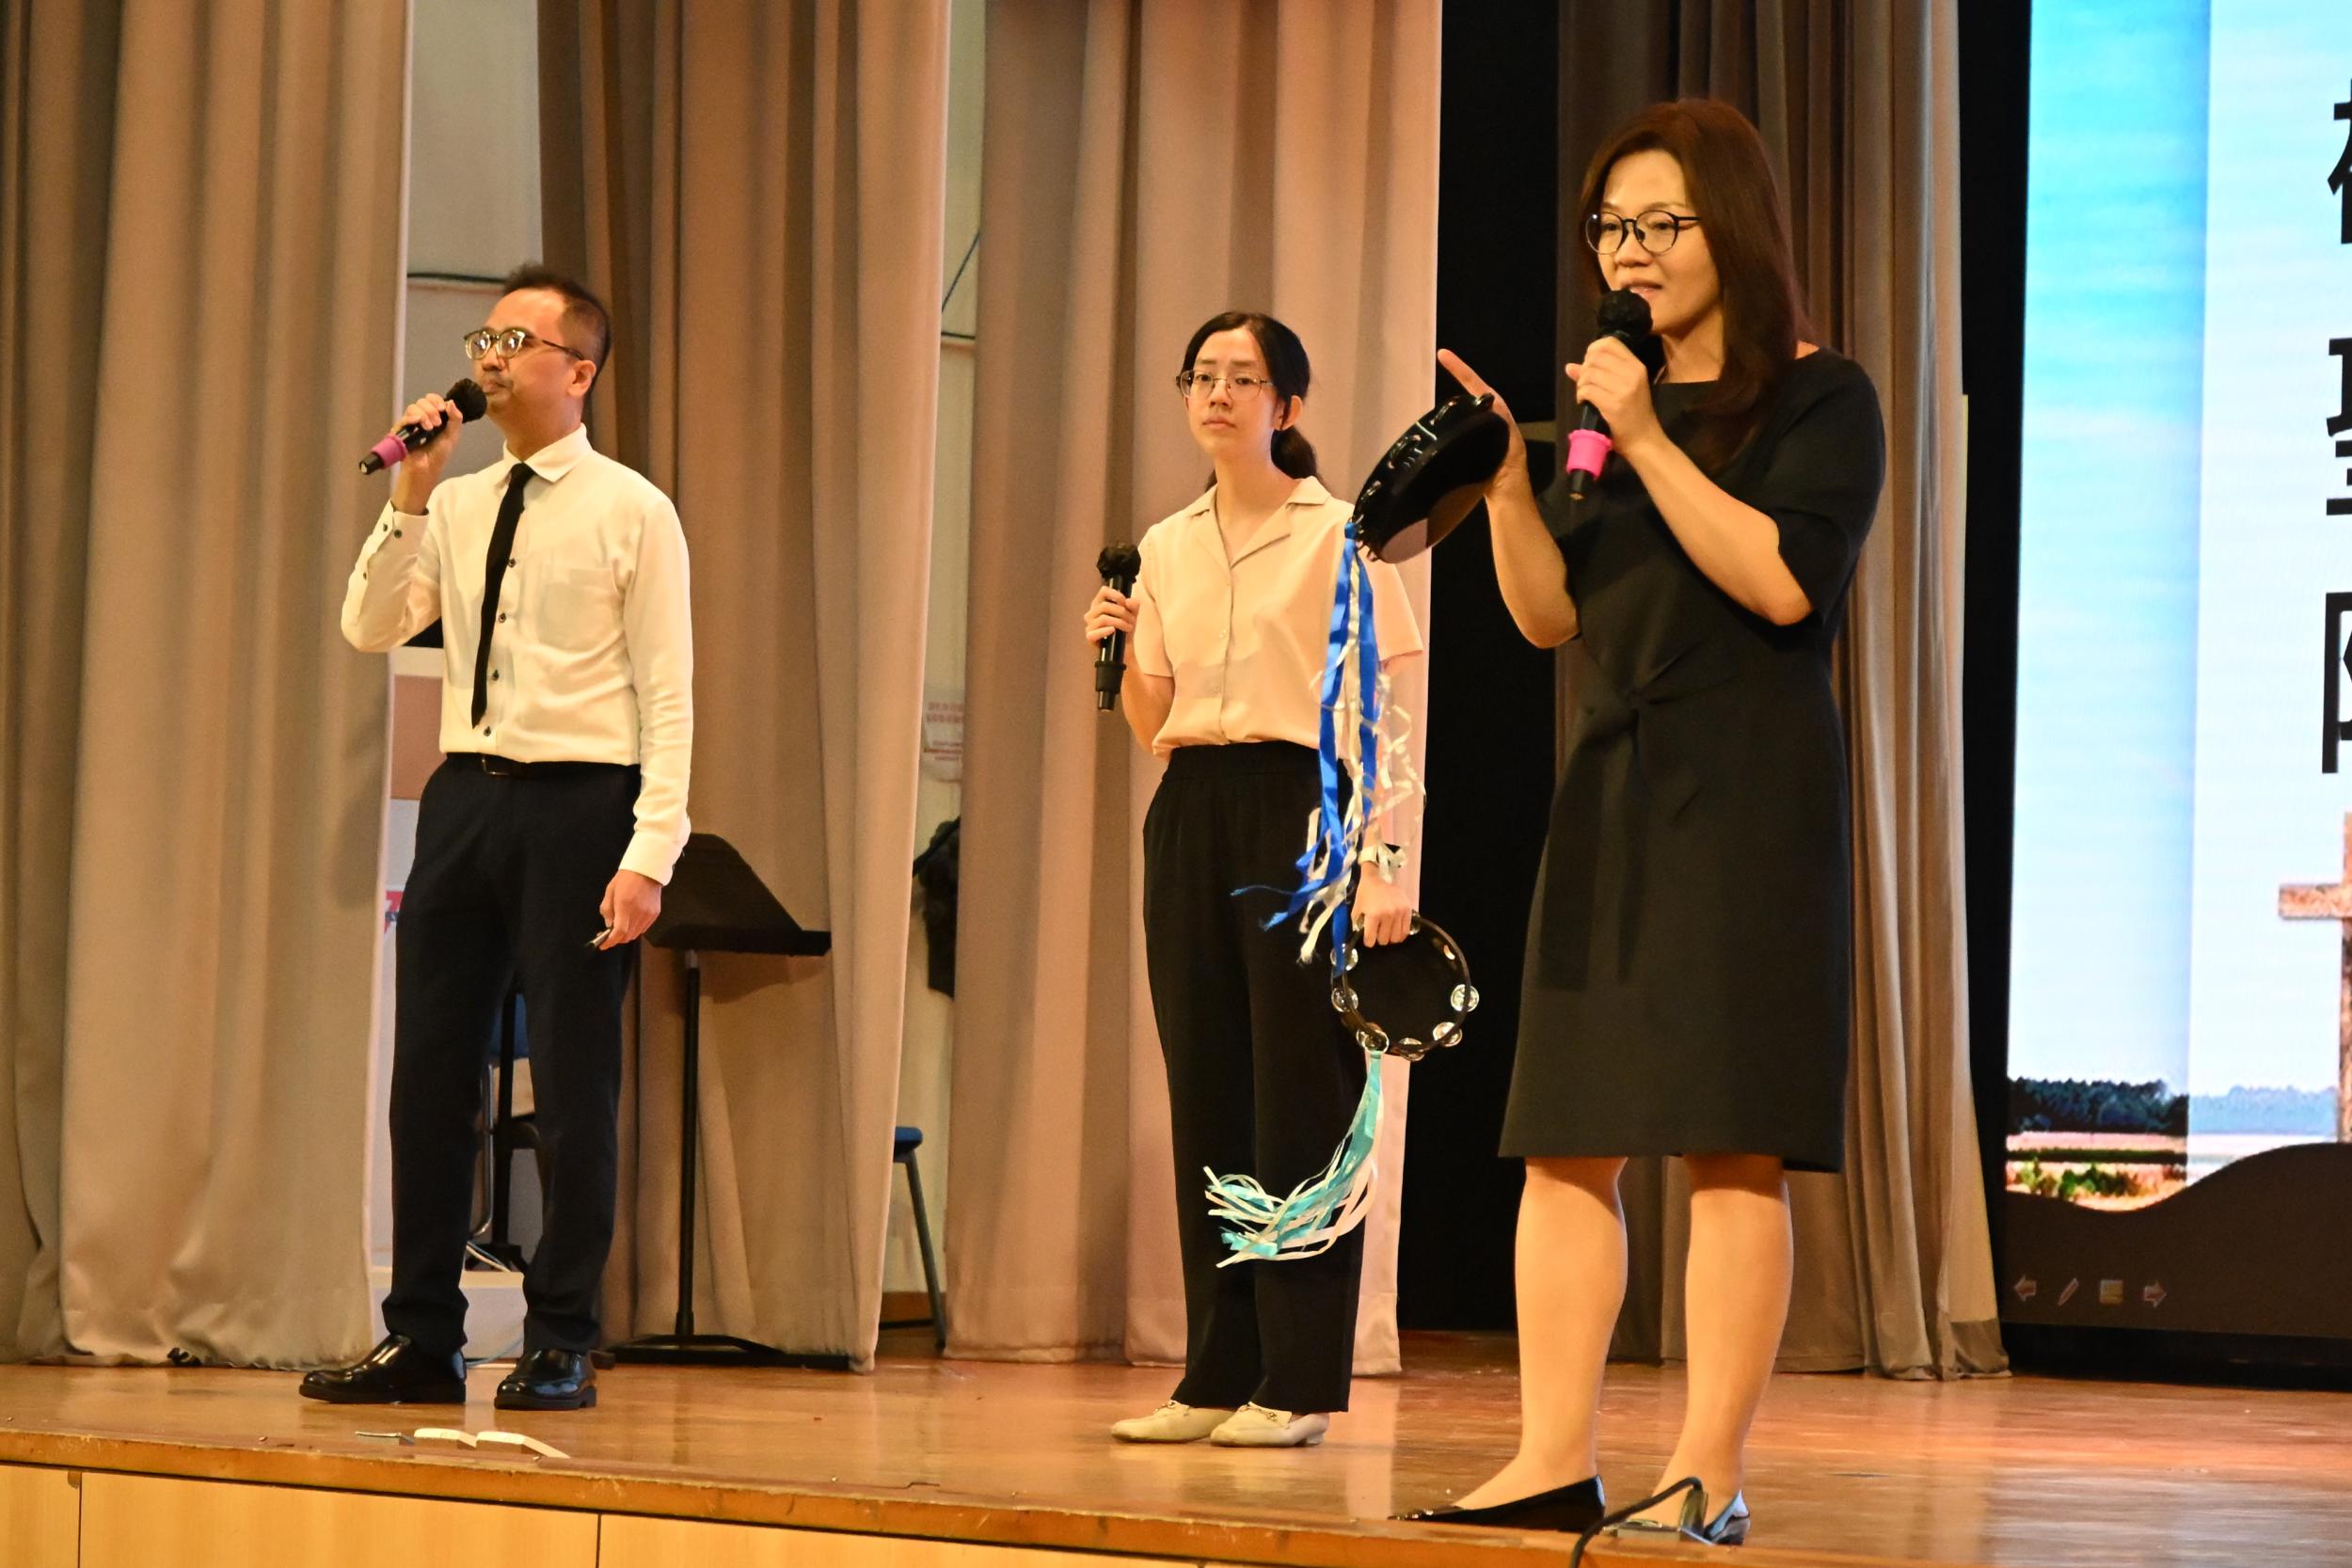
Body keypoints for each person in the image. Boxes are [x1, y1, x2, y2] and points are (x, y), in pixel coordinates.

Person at [1408, 100, 1885, 1544]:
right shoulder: (1605, 417)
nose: (1631, 250)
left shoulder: (1822, 397)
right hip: (1613, 792)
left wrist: (1642, 433)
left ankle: (1706, 1469)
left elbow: (1782, 580)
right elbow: (1555, 616)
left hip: (1749, 794)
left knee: (1731, 1143)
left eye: (1661, 222)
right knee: (1566, 1138)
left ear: (1730, 225)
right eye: (1612, 226)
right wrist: (1510, 486)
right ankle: (1551, 1454)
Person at [303, 264, 692, 1413]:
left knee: (572, 1081)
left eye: (518, 341)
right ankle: (422, 1334)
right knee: (430, 1073)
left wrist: (649, 851)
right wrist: (412, 493)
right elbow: (370, 624)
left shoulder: (631, 508)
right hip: (464, 799)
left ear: (579, 372)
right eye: (484, 337)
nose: (490, 356)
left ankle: (562, 1333)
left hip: (583, 805)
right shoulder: (462, 500)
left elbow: (669, 691)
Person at [1083, 311, 1423, 1449]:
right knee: (1209, 1087)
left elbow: (1386, 708)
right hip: (1193, 809)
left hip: (1304, 807)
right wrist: (1115, 647)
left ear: (1289, 405)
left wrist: (1384, 860)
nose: (1217, 393)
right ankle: (1215, 1372)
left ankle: (1299, 1377)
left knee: (1302, 1093)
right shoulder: (1165, 543)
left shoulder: (1342, 534)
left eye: (1243, 377)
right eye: (1202, 376)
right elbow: (1153, 725)